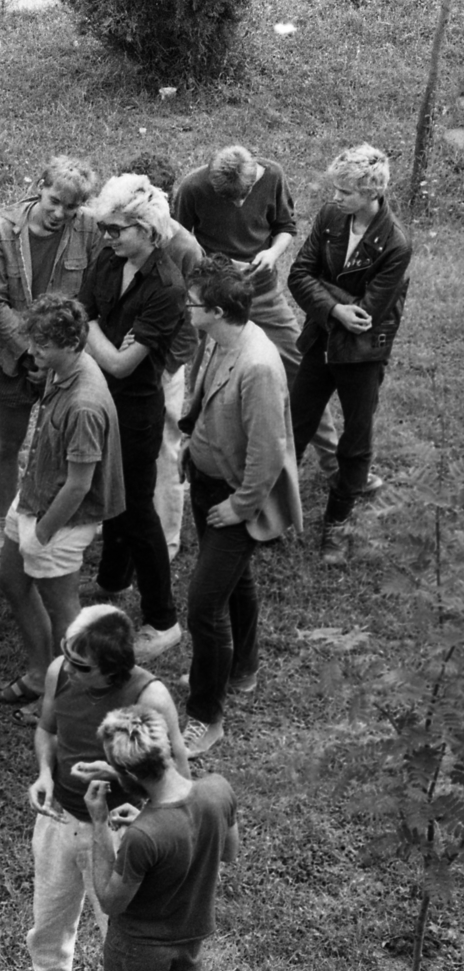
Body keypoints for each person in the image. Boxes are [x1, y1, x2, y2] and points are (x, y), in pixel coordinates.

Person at [25, 604, 187, 971]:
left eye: (81, 666)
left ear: (114, 668)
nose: (66, 669)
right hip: (59, 819)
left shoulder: (149, 697)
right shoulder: (58, 672)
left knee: (122, 930)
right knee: (47, 924)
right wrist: (45, 774)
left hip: (118, 830)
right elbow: (47, 731)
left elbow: (177, 777)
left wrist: (119, 776)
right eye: (65, 653)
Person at [179, 260, 301, 757]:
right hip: (209, 482)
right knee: (236, 581)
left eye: (192, 303)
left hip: (235, 495)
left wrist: (241, 506)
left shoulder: (258, 365)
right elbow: (206, 399)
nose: (186, 307)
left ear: (216, 311)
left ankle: (206, 716)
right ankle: (242, 669)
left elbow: (268, 451)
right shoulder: (219, 339)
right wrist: (192, 450)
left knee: (204, 606)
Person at [174, 145, 345, 483]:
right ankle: (196, 454)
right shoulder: (193, 188)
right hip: (211, 296)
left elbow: (286, 227)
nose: (238, 204)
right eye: (228, 198)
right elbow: (180, 238)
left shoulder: (274, 175)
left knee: (301, 371)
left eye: (243, 196)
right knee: (198, 378)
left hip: (261, 291)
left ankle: (332, 462)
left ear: (255, 179)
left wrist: (271, 253)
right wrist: (210, 270)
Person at [0, 295, 124, 720]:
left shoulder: (84, 402)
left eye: (42, 346)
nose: (33, 353)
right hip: (34, 496)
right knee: (12, 581)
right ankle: (38, 673)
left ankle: (66, 699)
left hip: (60, 520)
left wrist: (42, 535)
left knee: (65, 611)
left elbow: (80, 484)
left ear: (70, 344)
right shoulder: (60, 371)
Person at [287, 143, 411, 565]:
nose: (336, 198)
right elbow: (298, 274)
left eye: (346, 192)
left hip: (362, 353)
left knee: (355, 442)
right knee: (295, 424)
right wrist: (336, 306)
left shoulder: (395, 243)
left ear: (372, 193)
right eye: (336, 189)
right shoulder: (329, 218)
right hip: (323, 340)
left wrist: (327, 295)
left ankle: (337, 525)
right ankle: (271, 510)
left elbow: (368, 314)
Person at [78, 174, 183, 659]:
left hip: (137, 408)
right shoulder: (109, 257)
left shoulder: (166, 285)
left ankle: (163, 619)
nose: (108, 237)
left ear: (147, 228)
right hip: (102, 397)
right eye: (105, 228)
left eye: (117, 229)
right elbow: (83, 313)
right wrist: (97, 327)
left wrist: (93, 326)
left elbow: (122, 362)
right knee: (110, 493)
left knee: (138, 511)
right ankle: (113, 579)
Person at [0, 157, 102, 576]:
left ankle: (52, 525)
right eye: (53, 202)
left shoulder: (88, 228)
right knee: (6, 444)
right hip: (15, 356)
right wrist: (32, 352)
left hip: (65, 361)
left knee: (56, 450)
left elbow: (90, 294)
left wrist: (54, 359)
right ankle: (4, 530)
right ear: (40, 186)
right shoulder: (1, 230)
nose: (60, 215)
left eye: (70, 209)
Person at [88, 707, 238, 971]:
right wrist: (152, 828)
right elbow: (228, 852)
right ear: (167, 746)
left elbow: (110, 902)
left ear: (129, 775)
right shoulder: (219, 790)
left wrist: (98, 823)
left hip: (137, 950)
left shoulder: (143, 836)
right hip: (191, 942)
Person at [125, 153, 204, 565]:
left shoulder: (184, 248)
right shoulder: (119, 236)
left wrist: (165, 370)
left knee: (165, 446)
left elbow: (191, 322)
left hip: (163, 367)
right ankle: (121, 521)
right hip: (123, 358)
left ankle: (167, 536)